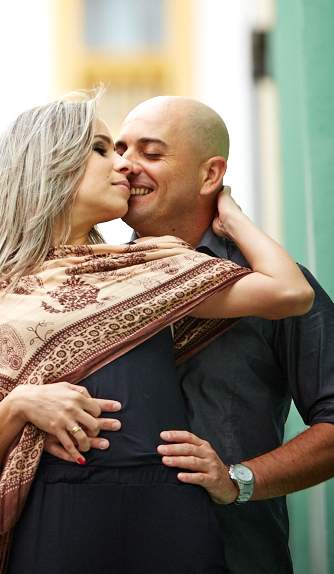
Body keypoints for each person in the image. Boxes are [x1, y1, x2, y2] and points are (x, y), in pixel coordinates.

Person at [0, 93, 313, 574]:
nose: (125, 166)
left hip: (175, 524)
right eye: (106, 149)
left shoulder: (151, 271)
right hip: (61, 523)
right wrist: (19, 406)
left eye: (143, 153)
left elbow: (290, 291)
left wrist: (231, 217)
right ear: (53, 168)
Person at [115, 96, 334, 574]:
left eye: (151, 153)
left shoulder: (275, 287)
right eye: (120, 149)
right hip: (111, 548)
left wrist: (239, 479)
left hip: (236, 555)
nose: (126, 166)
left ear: (210, 175)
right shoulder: (96, 285)